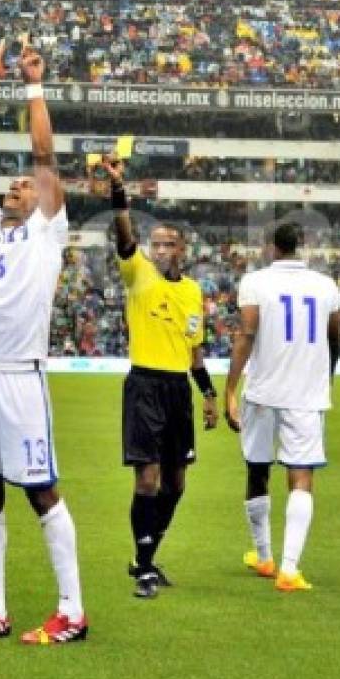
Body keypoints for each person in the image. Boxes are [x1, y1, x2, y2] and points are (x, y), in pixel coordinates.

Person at [0, 42, 87, 646]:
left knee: (40, 490)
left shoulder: (49, 233)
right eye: (15, 184)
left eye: (28, 185)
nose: (19, 184)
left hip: (19, 375)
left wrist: (32, 86)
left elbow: (45, 151)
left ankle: (72, 612)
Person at [107, 154, 218, 599]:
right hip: (145, 386)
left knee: (176, 483)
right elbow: (124, 235)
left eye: (168, 244)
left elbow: (194, 352)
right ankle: (145, 564)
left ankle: (147, 555)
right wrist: (120, 195)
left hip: (178, 389)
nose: (159, 249)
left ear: (182, 250)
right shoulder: (139, 276)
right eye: (155, 243)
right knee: (148, 480)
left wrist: (209, 394)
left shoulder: (193, 292)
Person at [223, 222, 340, 592]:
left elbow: (247, 334)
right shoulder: (326, 286)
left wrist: (229, 388)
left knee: (257, 470)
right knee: (301, 477)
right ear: (301, 246)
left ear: (272, 247)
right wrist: (328, 378)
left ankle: (264, 557)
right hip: (306, 396)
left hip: (262, 392)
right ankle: (289, 570)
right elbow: (334, 337)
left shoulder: (255, 282)